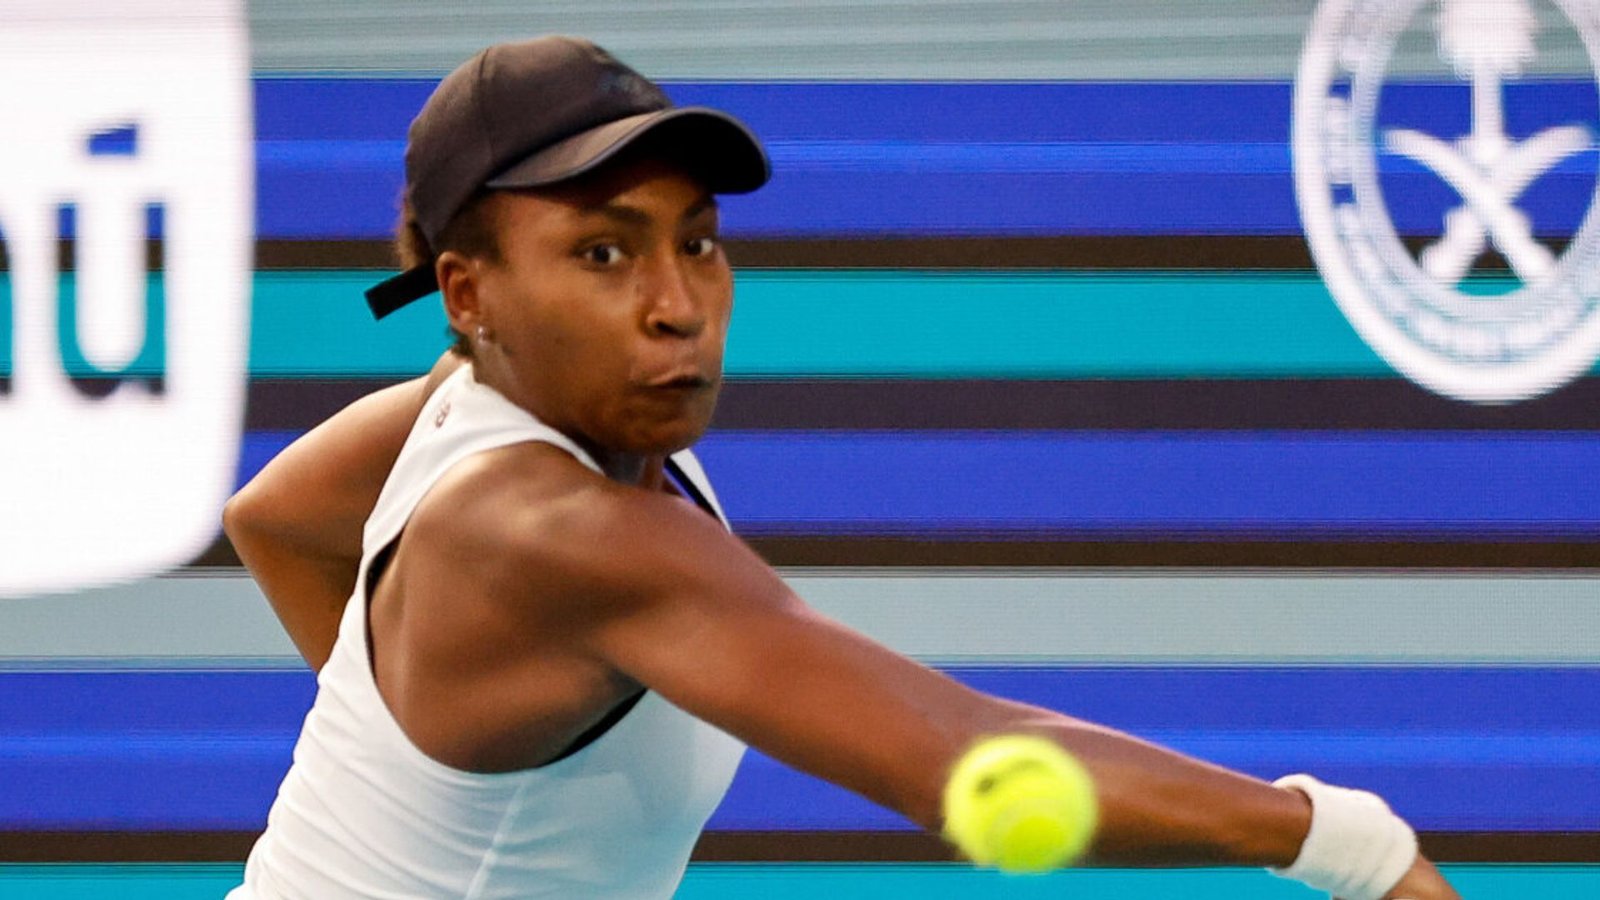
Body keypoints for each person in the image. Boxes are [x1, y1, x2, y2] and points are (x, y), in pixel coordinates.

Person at [222, 35, 1459, 900]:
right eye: (603, 254)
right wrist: (1348, 845)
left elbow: (270, 517)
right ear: (467, 293)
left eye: (697, 242)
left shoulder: (459, 405)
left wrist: (439, 773)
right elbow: (962, 760)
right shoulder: (565, 536)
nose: (675, 304)